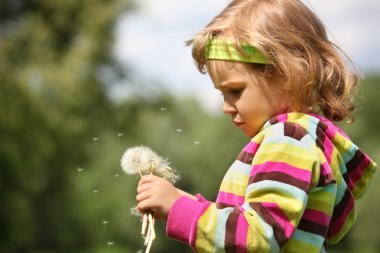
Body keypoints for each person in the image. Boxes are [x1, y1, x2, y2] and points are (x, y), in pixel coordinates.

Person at [135, 0, 377, 252]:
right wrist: (180, 200)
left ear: (286, 75)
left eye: (235, 91)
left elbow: (259, 237)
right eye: (222, 94)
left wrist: (178, 207)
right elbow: (249, 223)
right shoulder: (302, 139)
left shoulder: (287, 141)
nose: (226, 107)